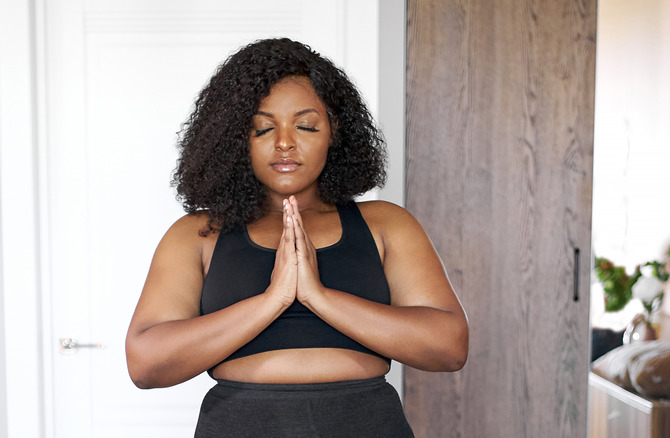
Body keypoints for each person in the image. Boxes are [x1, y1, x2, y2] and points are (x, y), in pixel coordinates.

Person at [125, 38, 468, 437]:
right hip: (241, 424)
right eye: (263, 128)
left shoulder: (386, 224)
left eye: (305, 125)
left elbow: (449, 348)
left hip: (367, 422)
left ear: (333, 131)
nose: (284, 142)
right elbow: (145, 365)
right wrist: (273, 299)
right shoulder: (199, 233)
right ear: (237, 138)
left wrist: (319, 296)